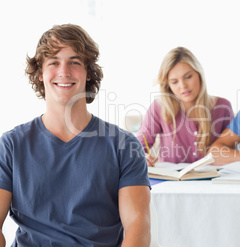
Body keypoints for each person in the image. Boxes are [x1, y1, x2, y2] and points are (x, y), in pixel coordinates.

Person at [0, 24, 151, 246]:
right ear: (40, 73)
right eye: (53, 62)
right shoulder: (11, 146)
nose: (64, 71)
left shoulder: (124, 146)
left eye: (75, 62)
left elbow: (138, 227)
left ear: (88, 73)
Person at [136, 47, 234, 166]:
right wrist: (144, 156)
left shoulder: (223, 107)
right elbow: (139, 145)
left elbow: (230, 151)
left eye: (188, 77)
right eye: (174, 82)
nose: (183, 86)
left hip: (213, 181)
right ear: (168, 85)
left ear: (199, 74)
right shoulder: (159, 106)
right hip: (172, 182)